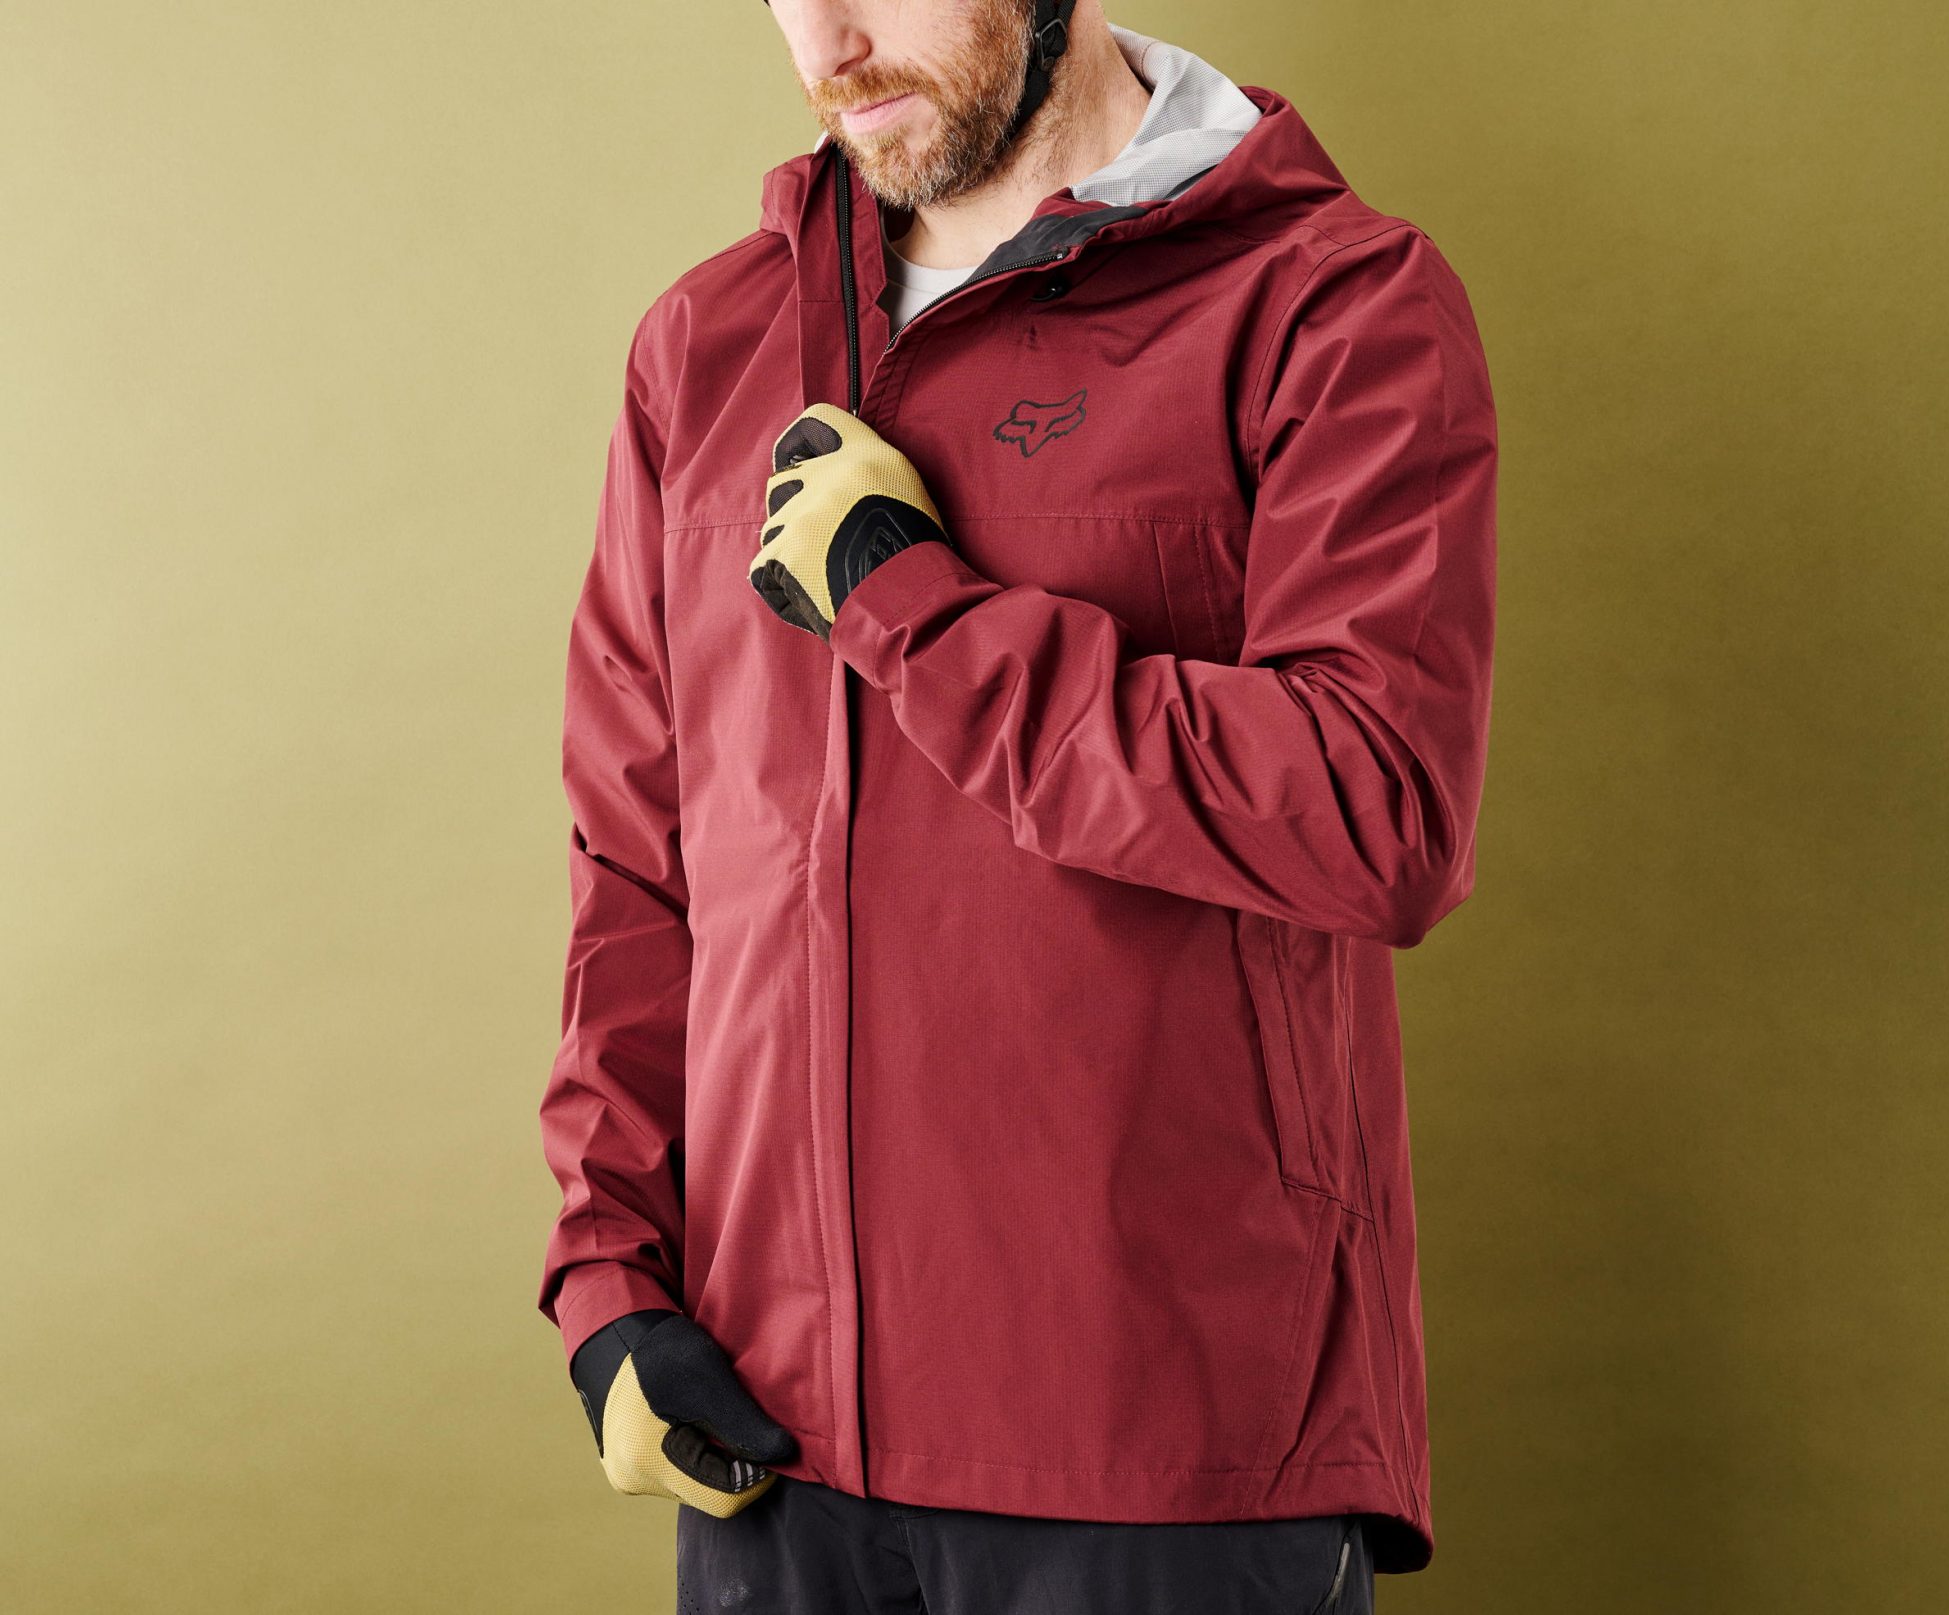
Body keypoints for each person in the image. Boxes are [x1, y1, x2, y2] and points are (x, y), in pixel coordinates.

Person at [535, 3, 1497, 1609]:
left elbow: (1375, 809)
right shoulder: (704, 349)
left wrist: (911, 606)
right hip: (771, 1447)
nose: (828, 44)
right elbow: (640, 870)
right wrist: (608, 1279)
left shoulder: (1330, 302)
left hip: (1165, 1454)